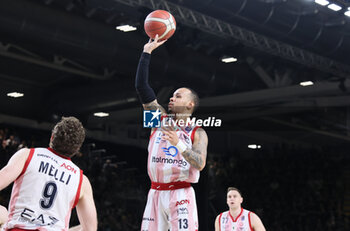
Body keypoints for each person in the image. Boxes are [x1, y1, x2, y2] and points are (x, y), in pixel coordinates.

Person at [135, 34, 208, 231]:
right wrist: (146, 53)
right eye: (172, 95)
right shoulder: (158, 120)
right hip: (155, 193)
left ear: (190, 104)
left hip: (181, 194)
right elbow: (142, 87)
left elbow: (200, 163)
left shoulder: (198, 132)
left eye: (178, 96)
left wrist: (178, 143)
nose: (172, 98)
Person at [0, 117, 97, 231]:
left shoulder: (28, 155)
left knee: (3, 213)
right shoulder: (82, 181)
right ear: (77, 149)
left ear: (52, 137)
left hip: (18, 228)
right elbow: (90, 229)